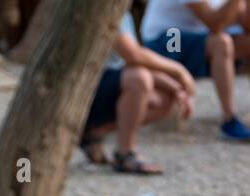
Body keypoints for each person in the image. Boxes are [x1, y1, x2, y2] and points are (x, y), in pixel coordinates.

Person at [140, 0, 250, 141]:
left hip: (194, 39)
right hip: (165, 41)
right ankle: (229, 118)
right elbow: (215, 24)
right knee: (221, 42)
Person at [81, 6, 196, 174]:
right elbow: (133, 56)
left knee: (165, 99)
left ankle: (94, 133)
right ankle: (125, 154)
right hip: (81, 92)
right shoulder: (101, 8)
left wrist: (176, 87)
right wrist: (178, 71)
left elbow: (130, 62)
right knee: (139, 79)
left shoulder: (123, 13)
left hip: (103, 84)